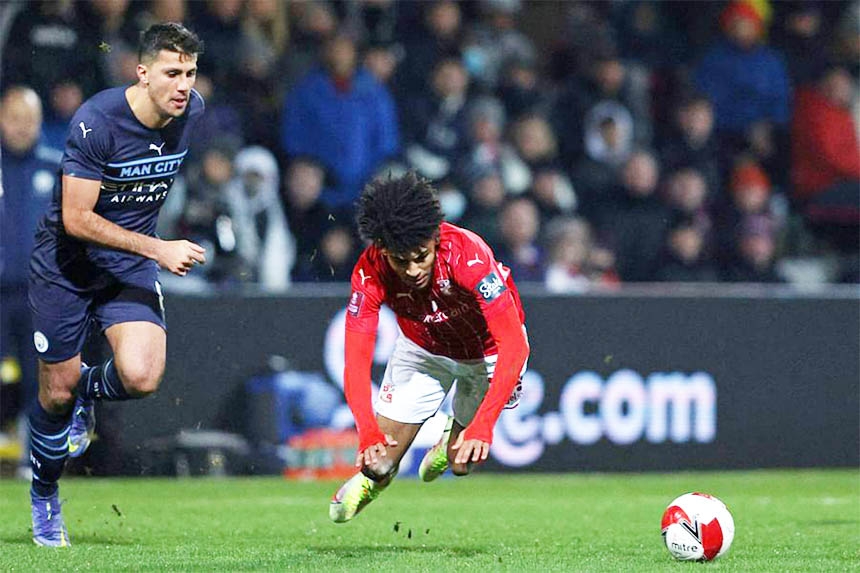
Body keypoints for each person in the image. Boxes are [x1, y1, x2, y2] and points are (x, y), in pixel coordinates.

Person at [26, 22, 206, 547]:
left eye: (191, 73)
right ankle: (43, 496)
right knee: (52, 394)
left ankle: (85, 390)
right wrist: (159, 248)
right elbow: (77, 219)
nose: (184, 85)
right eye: (173, 73)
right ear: (142, 72)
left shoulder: (188, 113)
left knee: (142, 376)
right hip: (66, 264)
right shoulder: (95, 122)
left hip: (124, 265)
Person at [329, 172, 530, 523]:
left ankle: (448, 440)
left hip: (487, 355)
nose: (412, 270)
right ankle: (372, 481)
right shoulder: (369, 270)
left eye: (420, 256)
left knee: (460, 463)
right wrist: (367, 431)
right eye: (399, 260)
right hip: (423, 350)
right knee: (380, 462)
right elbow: (356, 360)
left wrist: (484, 424)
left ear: (435, 236)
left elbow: (513, 345)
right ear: (382, 250)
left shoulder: (467, 255)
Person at [0, 86, 62, 477]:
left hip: (40, 295)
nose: (22, 127)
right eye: (14, 118)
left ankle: (29, 455)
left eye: (29, 119)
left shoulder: (58, 168)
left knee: (37, 376)